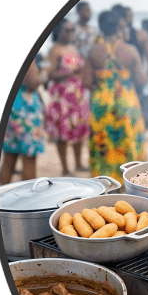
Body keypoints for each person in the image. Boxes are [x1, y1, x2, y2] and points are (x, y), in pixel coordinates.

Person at [83, 10, 147, 183]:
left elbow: (86, 82)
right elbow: (141, 81)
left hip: (101, 105)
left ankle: (106, 183)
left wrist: (102, 83)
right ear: (119, 28)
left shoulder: (94, 50)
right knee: (129, 143)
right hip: (126, 102)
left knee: (102, 145)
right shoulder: (130, 50)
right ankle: (132, 183)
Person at [45, 18, 89, 176]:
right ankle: (65, 167)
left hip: (76, 94)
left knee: (79, 129)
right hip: (62, 96)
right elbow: (50, 74)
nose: (71, 33)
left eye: (72, 30)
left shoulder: (73, 48)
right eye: (67, 30)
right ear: (58, 31)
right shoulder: (55, 50)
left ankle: (78, 162)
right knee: (62, 132)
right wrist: (70, 72)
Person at [0, 58, 46, 184]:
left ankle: (1, 196)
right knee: (29, 158)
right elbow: (31, 83)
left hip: (11, 105)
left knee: (9, 157)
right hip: (25, 108)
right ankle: (28, 200)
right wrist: (42, 75)